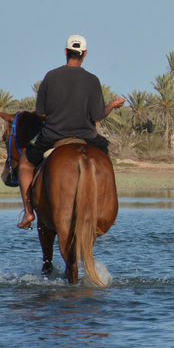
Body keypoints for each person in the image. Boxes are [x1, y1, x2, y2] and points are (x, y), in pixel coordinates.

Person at [16, 35, 126, 229]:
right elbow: (98, 116)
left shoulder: (51, 76)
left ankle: (28, 213)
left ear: (66, 52)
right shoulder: (92, 80)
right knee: (105, 159)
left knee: (25, 164)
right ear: (85, 54)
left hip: (52, 136)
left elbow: (40, 113)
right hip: (87, 137)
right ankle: (106, 209)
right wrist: (112, 105)